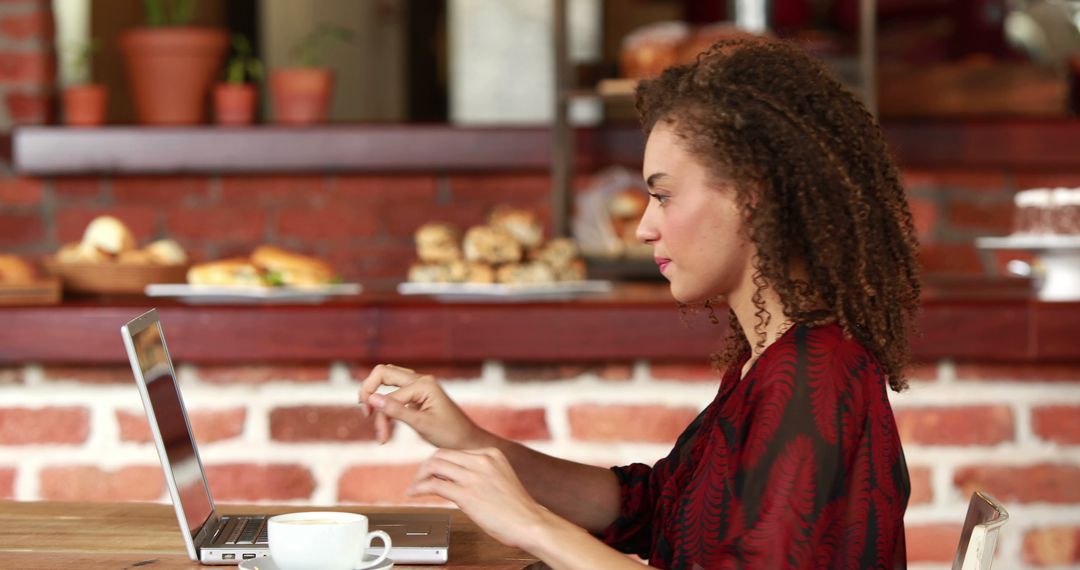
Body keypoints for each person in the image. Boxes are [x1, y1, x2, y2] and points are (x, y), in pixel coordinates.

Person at [359, 37, 919, 569]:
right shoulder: (769, 363)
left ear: (754, 196)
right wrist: (470, 441)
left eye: (663, 195)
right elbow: (649, 508)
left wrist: (530, 525)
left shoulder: (813, 376)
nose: (645, 227)